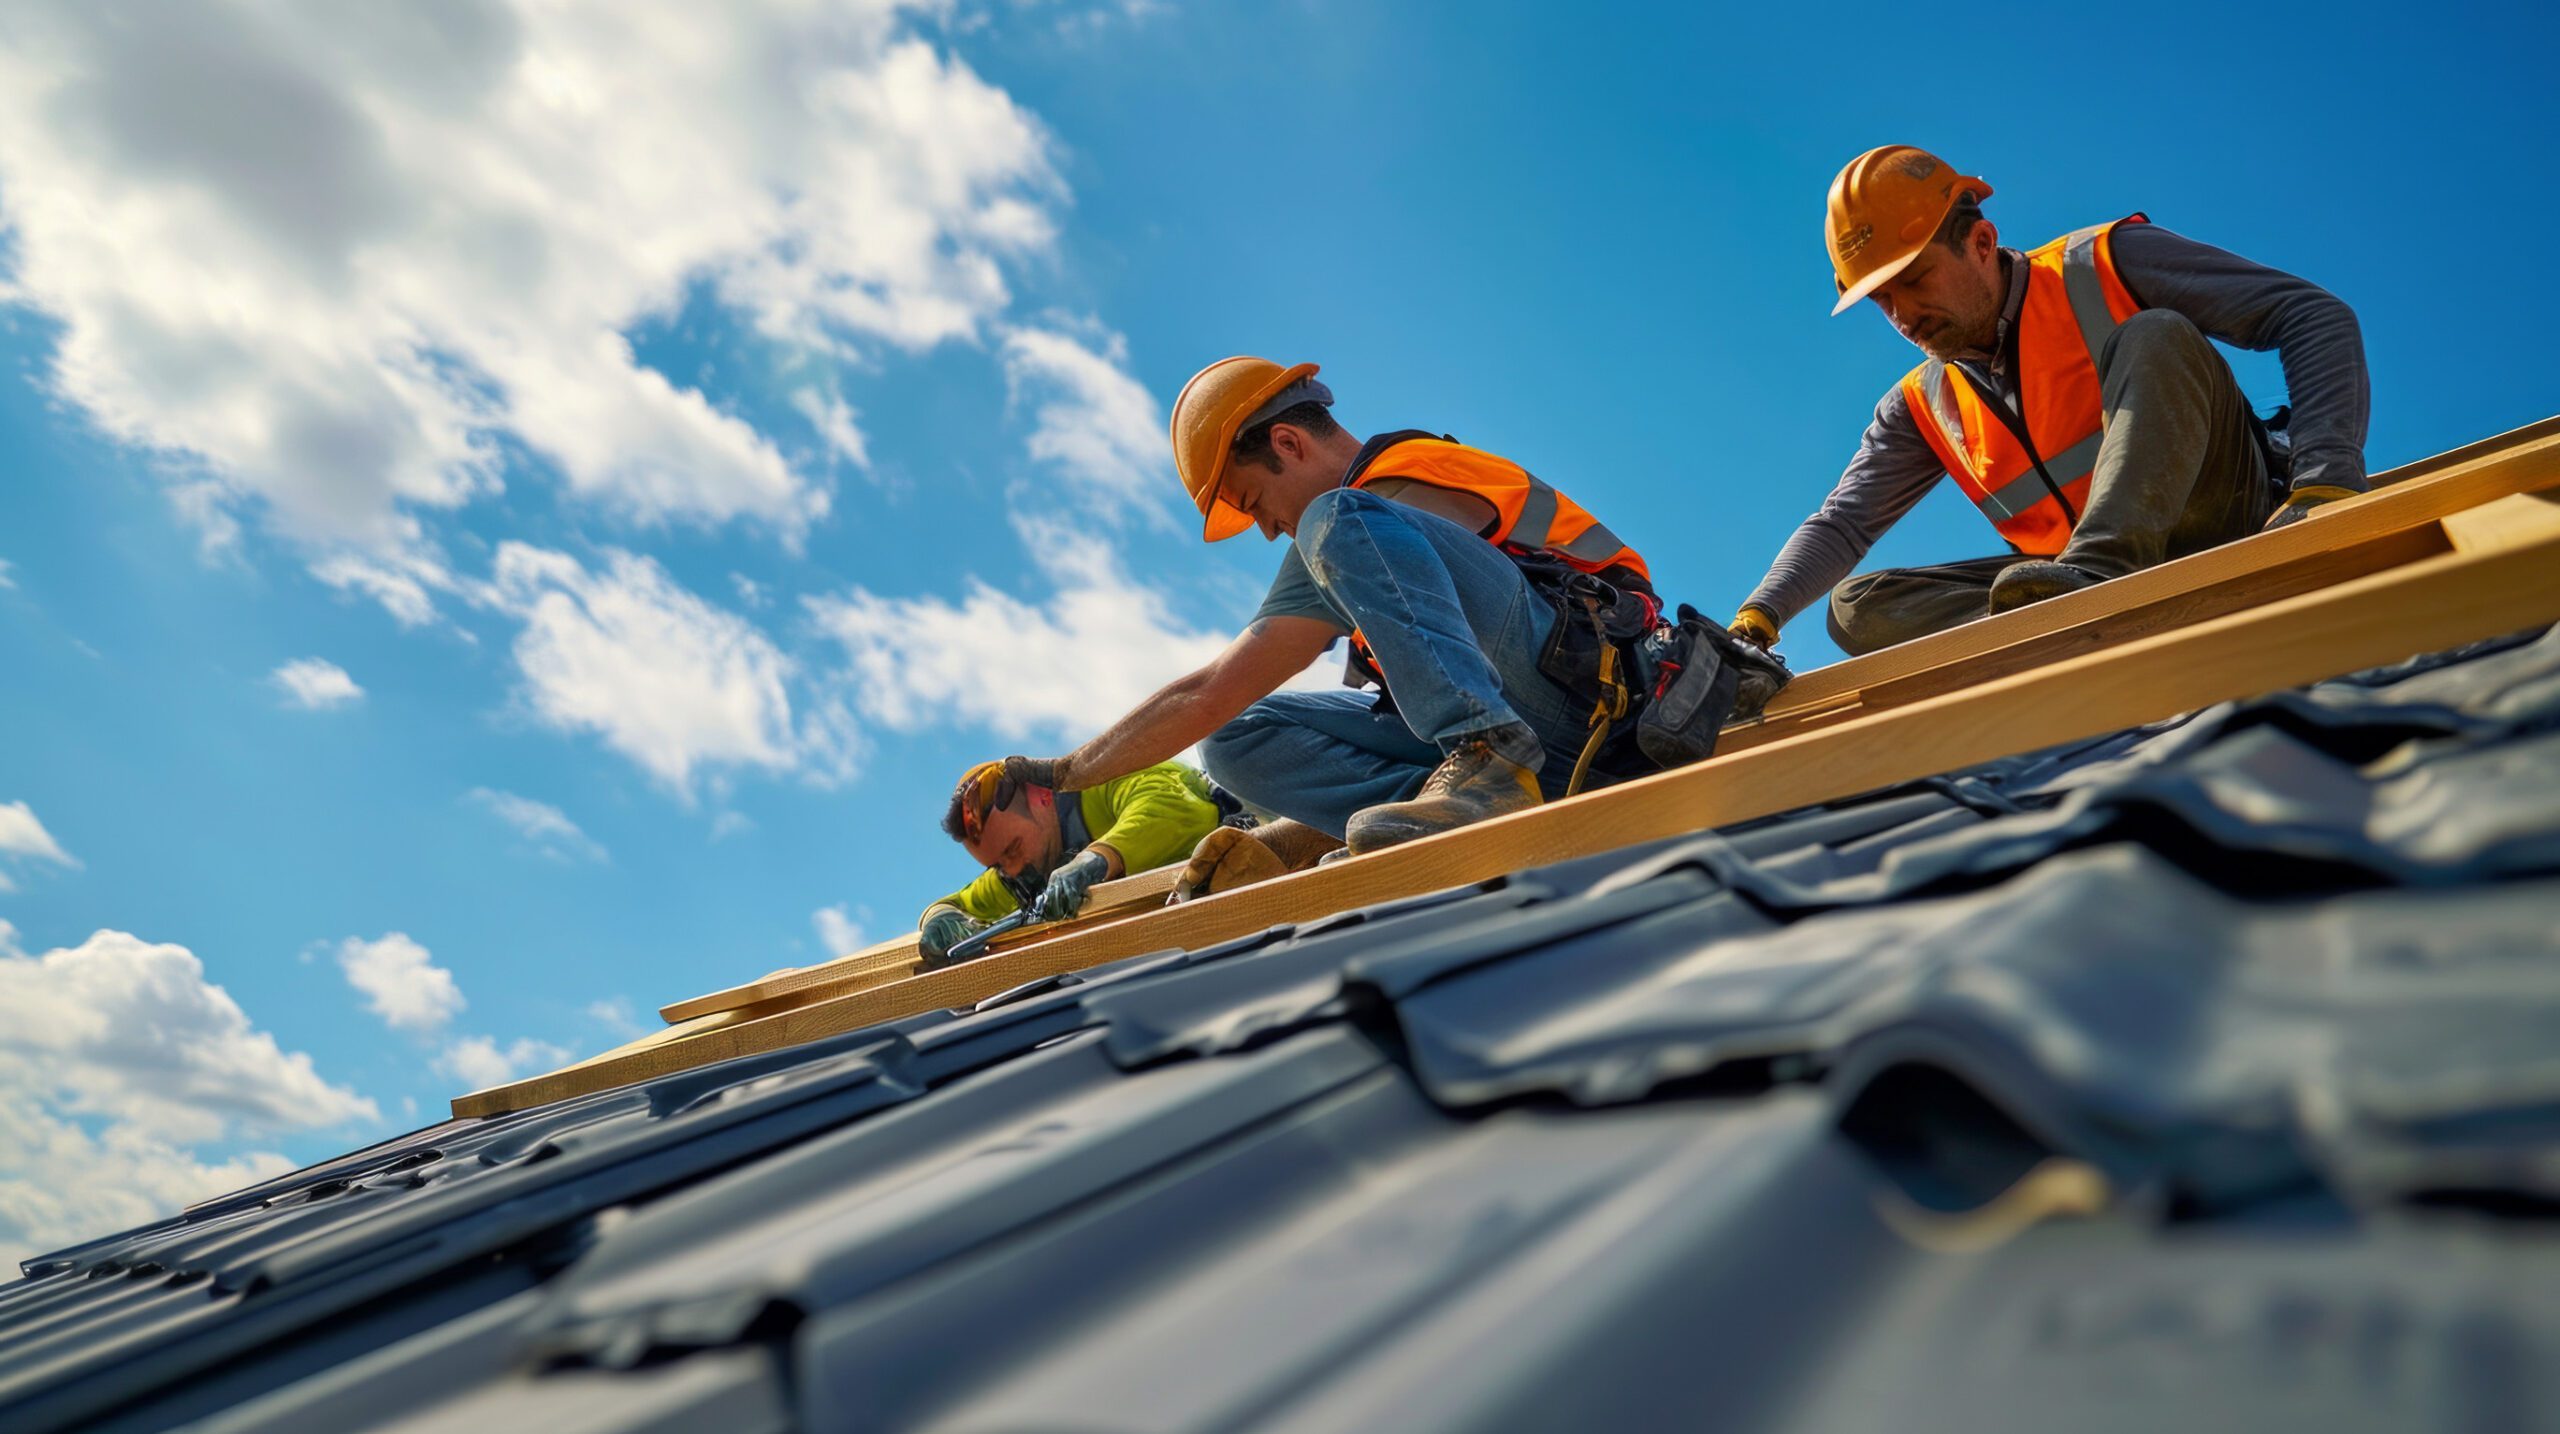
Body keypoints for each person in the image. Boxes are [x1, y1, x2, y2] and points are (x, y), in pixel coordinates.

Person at [995, 356, 1660, 899]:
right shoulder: (1348, 533)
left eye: (1254, 503)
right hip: (1529, 740)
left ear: (1287, 442)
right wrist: (1064, 772)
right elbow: (1213, 692)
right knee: (1233, 736)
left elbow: (1467, 607)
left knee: (1337, 520)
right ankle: (1450, 804)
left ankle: (1489, 765)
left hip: (1599, 695)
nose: (1265, 529)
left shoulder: (1384, 495)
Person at [1731, 145, 2371, 658]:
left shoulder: (2102, 265)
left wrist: (2322, 484)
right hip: (2067, 583)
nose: (1903, 316)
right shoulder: (1920, 404)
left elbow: (2312, 315)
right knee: (1858, 606)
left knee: (2155, 335)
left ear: (1981, 243)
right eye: (1882, 300)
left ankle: (2090, 588)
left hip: (2226, 518)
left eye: (1915, 281)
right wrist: (1753, 626)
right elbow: (1842, 524)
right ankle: (2049, 617)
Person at [917, 758, 1225, 966]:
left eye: (1013, 850)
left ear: (1041, 798)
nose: (1011, 870)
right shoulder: (1020, 873)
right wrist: (938, 920)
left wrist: (1096, 860)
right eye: (997, 866)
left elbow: (1173, 808)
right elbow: (954, 905)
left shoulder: (1107, 774)